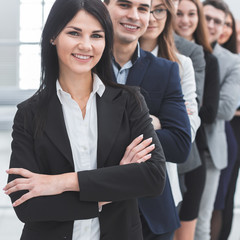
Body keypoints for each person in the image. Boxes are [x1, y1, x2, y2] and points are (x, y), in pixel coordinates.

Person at [3, 0, 167, 239]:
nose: (86, 45)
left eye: (97, 36)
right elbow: (27, 205)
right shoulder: (29, 113)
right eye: (74, 33)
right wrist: (116, 182)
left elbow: (153, 178)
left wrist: (60, 183)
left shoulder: (130, 101)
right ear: (53, 36)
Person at [103, 1, 192, 239]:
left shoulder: (166, 70)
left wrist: (111, 131)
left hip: (153, 216)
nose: (134, 15)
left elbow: (181, 145)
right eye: (124, 4)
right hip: (97, 209)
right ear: (103, 6)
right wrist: (146, 125)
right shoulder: (84, 64)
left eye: (143, 8)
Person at [173, 0, 220, 239]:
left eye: (191, 14)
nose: (185, 19)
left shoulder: (206, 59)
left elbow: (208, 111)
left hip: (194, 151)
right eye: (179, 13)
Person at [194, 0, 240, 239]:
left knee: (205, 218)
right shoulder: (180, 48)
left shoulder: (231, 61)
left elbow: (225, 108)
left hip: (213, 146)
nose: (211, 25)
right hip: (182, 144)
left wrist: (185, 105)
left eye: (218, 21)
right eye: (207, 18)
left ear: (224, 27)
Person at [211, 10, 239, 240]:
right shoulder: (216, 55)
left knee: (223, 196)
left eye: (225, 24)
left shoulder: (231, 61)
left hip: (228, 129)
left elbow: (226, 106)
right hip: (222, 129)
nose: (224, 29)